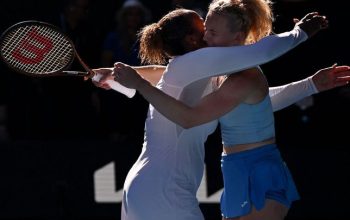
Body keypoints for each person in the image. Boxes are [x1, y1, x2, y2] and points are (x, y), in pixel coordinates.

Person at [94, 6, 327, 220]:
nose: (207, 32)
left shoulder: (189, 73)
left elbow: (255, 102)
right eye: (204, 26)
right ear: (192, 39)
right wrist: (301, 32)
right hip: (164, 192)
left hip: (143, 189)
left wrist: (310, 85)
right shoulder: (195, 62)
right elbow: (261, 53)